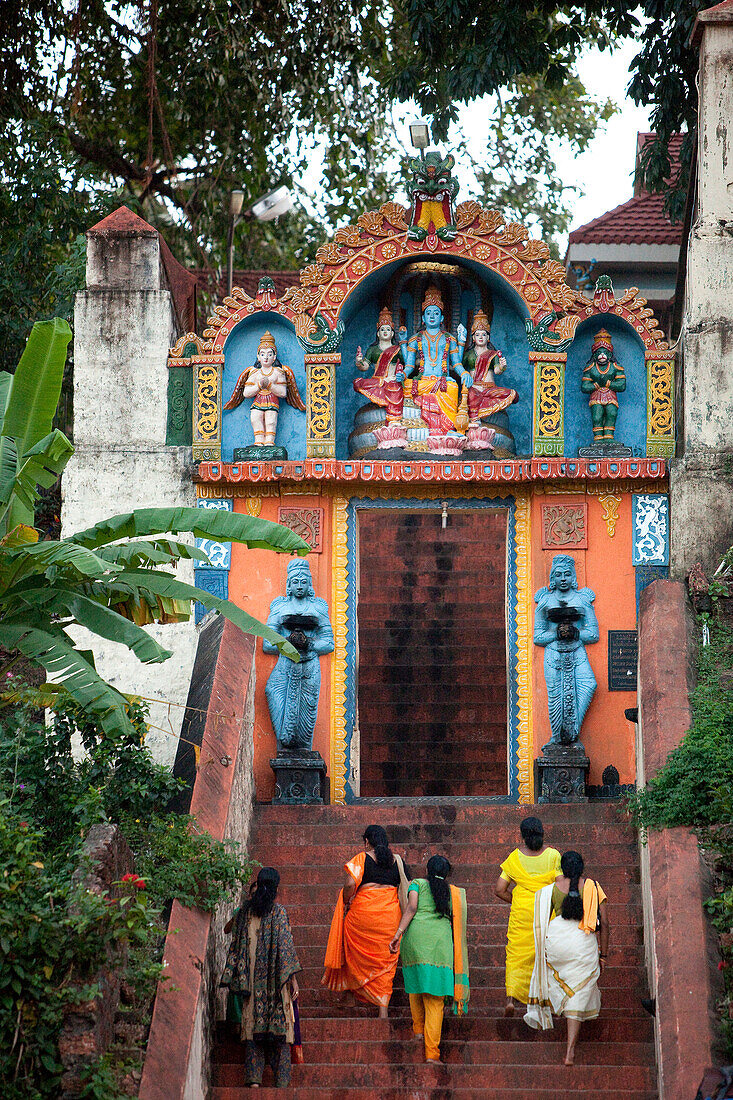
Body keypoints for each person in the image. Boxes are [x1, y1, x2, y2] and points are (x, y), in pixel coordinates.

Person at [525, 850, 610, 1065]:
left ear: (562, 868)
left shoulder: (551, 890)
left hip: (557, 942)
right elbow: (606, 924)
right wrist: (604, 955)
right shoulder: (593, 887)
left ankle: (561, 1009)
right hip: (582, 942)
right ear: (582, 867)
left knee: (564, 985)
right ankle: (570, 1050)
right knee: (578, 993)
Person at [220, 867, 301, 1089]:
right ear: (276, 888)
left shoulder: (244, 913)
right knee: (282, 1033)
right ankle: (281, 1082)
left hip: (251, 984)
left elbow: (234, 944)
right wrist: (293, 979)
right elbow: (286, 950)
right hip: (277, 985)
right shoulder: (279, 913)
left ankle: (254, 1082)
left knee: (253, 1031)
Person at [322, 824, 409, 1018]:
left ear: (367, 842)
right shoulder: (398, 861)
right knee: (385, 964)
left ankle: (349, 993)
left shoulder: (362, 858)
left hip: (363, 917)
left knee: (352, 954)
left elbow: (350, 883)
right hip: (389, 919)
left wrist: (346, 900)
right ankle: (382, 1011)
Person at [388, 855, 469, 1063]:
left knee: (415, 987)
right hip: (439, 946)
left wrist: (397, 934)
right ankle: (432, 1053)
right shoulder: (453, 893)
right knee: (435, 1000)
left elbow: (411, 908)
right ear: (447, 873)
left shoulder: (417, 884)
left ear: (427, 869)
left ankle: (417, 1032)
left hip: (415, 941)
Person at [495, 816, 561, 1015]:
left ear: (522, 836)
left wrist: (516, 901)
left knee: (515, 956)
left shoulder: (514, 858)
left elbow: (499, 889)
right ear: (542, 832)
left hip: (521, 913)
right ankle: (546, 999)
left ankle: (511, 999)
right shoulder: (553, 856)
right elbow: (560, 884)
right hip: (546, 912)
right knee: (546, 954)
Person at [223, 331, 306, 447]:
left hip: (272, 400)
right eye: (262, 354)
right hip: (258, 400)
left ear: (274, 356)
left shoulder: (278, 372)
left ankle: (269, 442)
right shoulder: (254, 372)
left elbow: (283, 392)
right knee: (255, 419)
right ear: (258, 356)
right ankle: (258, 442)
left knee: (271, 421)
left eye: (269, 354)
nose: (266, 357)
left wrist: (270, 385)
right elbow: (246, 393)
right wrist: (258, 386)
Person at [461, 310, 518, 429]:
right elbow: (460, 369)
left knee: (511, 394)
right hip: (474, 388)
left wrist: (502, 366)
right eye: (477, 335)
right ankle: (475, 419)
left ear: (488, 337)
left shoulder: (493, 354)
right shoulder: (469, 354)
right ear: (473, 338)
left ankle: (479, 415)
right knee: (470, 395)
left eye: (483, 334)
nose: (480, 337)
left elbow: (497, 371)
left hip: (490, 389)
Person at [354, 306, 406, 425]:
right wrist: (359, 361)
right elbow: (365, 366)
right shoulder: (373, 350)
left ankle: (393, 420)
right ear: (378, 333)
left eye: (388, 329)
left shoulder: (397, 350)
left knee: (394, 389)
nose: (385, 332)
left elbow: (408, 364)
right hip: (378, 381)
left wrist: (404, 344)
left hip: (392, 381)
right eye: (382, 329)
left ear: (392, 333)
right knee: (358, 383)